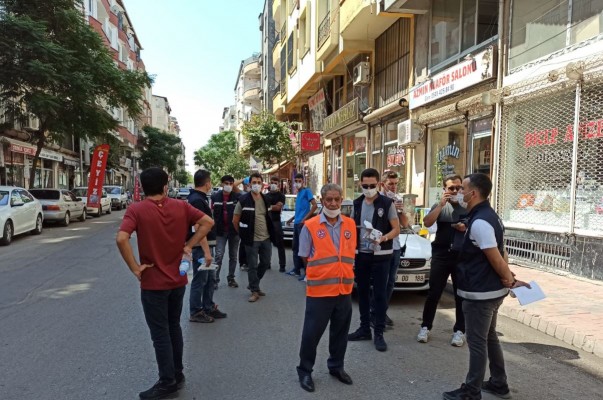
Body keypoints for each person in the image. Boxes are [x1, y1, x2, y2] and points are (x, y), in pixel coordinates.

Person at [116, 167, 214, 400]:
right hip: (177, 281)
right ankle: (177, 374)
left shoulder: (136, 210)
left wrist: (135, 268)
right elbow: (207, 222)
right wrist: (188, 245)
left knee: (160, 333)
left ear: (143, 187)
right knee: (173, 327)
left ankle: (167, 381)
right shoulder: (181, 206)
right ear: (164, 186)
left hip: (153, 283)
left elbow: (121, 238)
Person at [443, 173, 530, 400]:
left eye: (462, 189)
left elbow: (495, 256)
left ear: (473, 193)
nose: (459, 193)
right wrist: (508, 276)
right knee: (490, 337)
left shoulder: (481, 221)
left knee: (477, 342)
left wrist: (510, 280)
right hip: (490, 290)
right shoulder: (488, 216)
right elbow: (501, 251)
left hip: (480, 293)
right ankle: (499, 383)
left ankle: (471, 391)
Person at [296, 184, 357, 393]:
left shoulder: (350, 224)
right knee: (311, 334)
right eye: (328, 199)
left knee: (340, 333)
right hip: (320, 291)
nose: (332, 203)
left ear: (341, 200)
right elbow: (305, 256)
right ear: (322, 201)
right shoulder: (310, 226)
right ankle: (305, 371)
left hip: (344, 290)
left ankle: (336, 367)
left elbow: (349, 254)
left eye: (336, 199)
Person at [348, 168, 400, 352]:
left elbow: (396, 229)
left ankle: (379, 332)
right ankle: (364, 328)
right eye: (365, 185)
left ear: (378, 184)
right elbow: (351, 227)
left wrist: (384, 237)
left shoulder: (386, 203)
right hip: (361, 254)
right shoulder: (357, 203)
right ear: (360, 184)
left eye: (372, 185)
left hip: (381, 255)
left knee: (379, 294)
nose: (368, 189)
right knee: (362, 292)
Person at [417, 174, 468, 346]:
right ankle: (425, 327)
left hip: (461, 255)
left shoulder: (468, 206)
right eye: (451, 188)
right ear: (444, 189)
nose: (455, 191)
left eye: (458, 187)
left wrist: (465, 227)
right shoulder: (440, 205)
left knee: (460, 294)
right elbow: (427, 222)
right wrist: (440, 205)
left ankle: (460, 330)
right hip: (441, 254)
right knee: (434, 293)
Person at [369, 171, 409, 328]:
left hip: (395, 246)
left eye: (396, 184)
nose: (393, 187)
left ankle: (382, 312)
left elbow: (405, 224)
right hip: (381, 246)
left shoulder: (398, 199)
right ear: (382, 184)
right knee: (380, 282)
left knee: (391, 282)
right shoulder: (376, 199)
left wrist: (400, 210)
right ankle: (374, 313)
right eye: (390, 184)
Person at [187, 169, 227, 323]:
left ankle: (208, 306)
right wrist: (206, 252)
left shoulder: (200, 198)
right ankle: (196, 311)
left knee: (210, 279)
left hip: (207, 245)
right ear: (207, 183)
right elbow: (198, 228)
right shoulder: (196, 200)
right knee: (200, 279)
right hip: (201, 247)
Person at [232, 172, 275, 302]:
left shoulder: (266, 199)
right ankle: (254, 291)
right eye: (254, 182)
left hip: (265, 237)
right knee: (252, 265)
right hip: (251, 239)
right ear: (249, 184)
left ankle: (253, 284)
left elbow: (269, 217)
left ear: (262, 184)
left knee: (265, 262)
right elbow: (235, 220)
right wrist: (242, 234)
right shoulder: (243, 200)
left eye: (259, 182)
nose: (256, 185)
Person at [212, 175, 242, 288]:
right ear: (222, 184)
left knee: (233, 256)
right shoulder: (215, 197)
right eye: (226, 183)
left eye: (231, 184)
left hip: (234, 231)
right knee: (219, 256)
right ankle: (215, 280)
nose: (228, 186)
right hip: (220, 232)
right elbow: (211, 213)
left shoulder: (237, 197)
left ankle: (231, 278)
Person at [286, 173, 317, 280]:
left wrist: (304, 219)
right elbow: (300, 210)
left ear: (303, 181)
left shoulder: (307, 191)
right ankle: (296, 270)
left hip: (302, 224)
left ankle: (307, 273)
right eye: (296, 181)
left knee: (303, 249)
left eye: (300, 181)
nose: (298, 183)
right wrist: (292, 219)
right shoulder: (298, 193)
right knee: (295, 247)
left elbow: (314, 205)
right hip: (296, 223)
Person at [265, 175, 287, 272]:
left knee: (280, 244)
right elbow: (264, 208)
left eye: (275, 183)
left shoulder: (281, 196)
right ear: (269, 183)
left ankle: (282, 265)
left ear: (278, 184)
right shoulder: (265, 196)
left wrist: (269, 207)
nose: (273, 184)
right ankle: (267, 263)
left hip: (276, 222)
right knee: (267, 244)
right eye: (272, 183)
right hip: (267, 221)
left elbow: (278, 208)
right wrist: (272, 207)